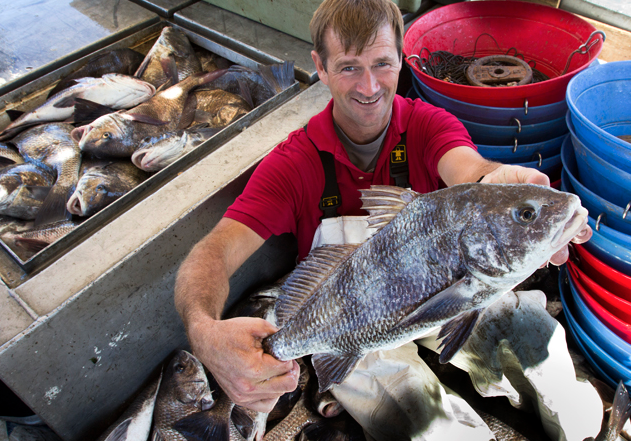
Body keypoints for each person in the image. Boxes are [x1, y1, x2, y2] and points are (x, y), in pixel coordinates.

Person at [174, 0, 596, 438]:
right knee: (430, 428)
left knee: (551, 372)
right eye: (349, 67)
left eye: (382, 63)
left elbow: (470, 173)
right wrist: (204, 331)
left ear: (399, 59)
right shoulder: (292, 163)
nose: (370, 85)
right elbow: (214, 251)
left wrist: (499, 184)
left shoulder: (429, 124)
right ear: (319, 66)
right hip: (349, 326)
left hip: (456, 293)